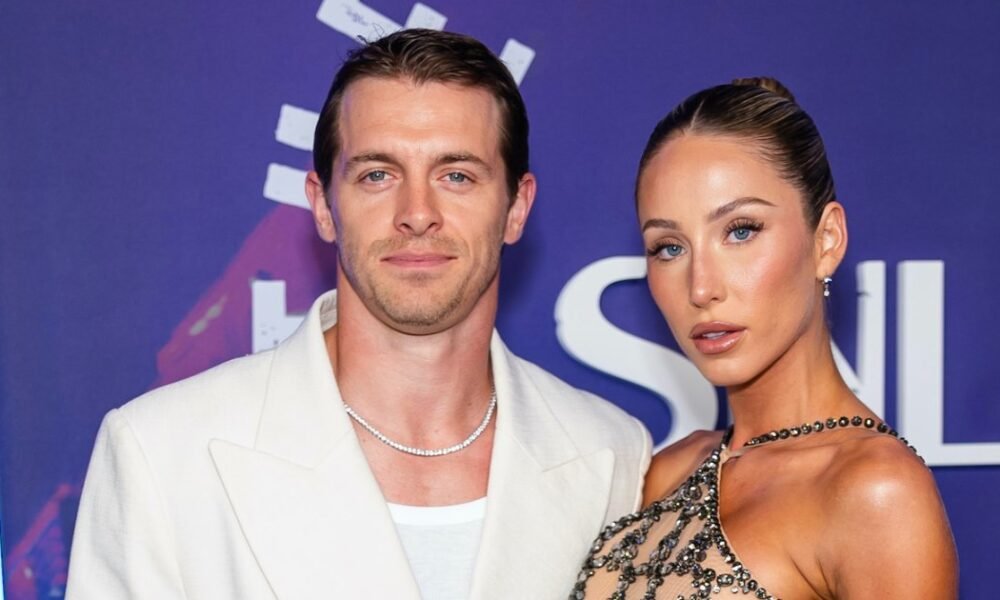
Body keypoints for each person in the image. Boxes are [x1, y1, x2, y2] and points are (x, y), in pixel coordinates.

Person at [66, 29, 651, 600]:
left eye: (456, 175)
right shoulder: (162, 451)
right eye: (378, 175)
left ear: (516, 207)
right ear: (323, 206)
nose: (417, 213)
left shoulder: (613, 455)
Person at [572, 78, 958, 599]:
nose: (701, 288)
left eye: (741, 231)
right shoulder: (668, 470)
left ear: (826, 240)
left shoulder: (875, 490)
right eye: (669, 247)